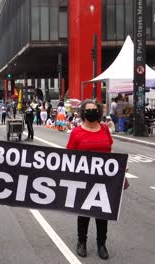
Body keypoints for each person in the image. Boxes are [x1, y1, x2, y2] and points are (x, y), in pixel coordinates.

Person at [66, 100, 114, 260]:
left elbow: (109, 150)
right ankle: (82, 242)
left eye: (95, 109)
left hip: (103, 179)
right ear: (83, 113)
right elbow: (69, 157)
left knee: (102, 213)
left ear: (99, 111)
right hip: (83, 179)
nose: (92, 112)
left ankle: (102, 244)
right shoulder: (76, 132)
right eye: (89, 110)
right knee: (84, 212)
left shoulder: (105, 129)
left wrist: (119, 167)